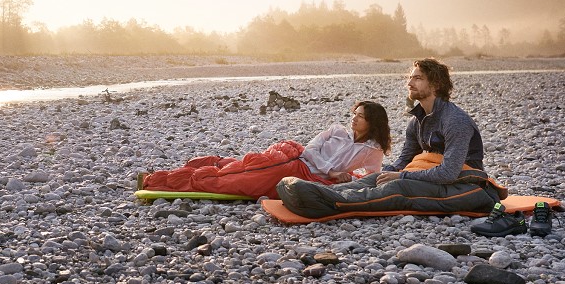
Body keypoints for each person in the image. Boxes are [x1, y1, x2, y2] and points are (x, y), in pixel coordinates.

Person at [275, 58, 506, 218]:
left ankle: (326, 203)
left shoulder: (455, 120)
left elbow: (449, 173)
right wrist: (386, 171)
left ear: (435, 84)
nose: (410, 82)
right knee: (378, 179)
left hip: (468, 187)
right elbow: (404, 159)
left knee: (398, 186)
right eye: (411, 77)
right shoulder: (417, 121)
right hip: (429, 176)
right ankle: (318, 194)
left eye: (418, 78)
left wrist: (400, 174)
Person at [138, 100, 391, 199]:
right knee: (233, 180)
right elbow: (311, 150)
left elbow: (371, 177)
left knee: (242, 175)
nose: (354, 119)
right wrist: (333, 172)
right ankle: (155, 180)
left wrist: (348, 179)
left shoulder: (373, 149)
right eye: (354, 114)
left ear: (373, 123)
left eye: (360, 117)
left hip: (309, 177)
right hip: (294, 160)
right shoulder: (337, 130)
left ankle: (212, 163)